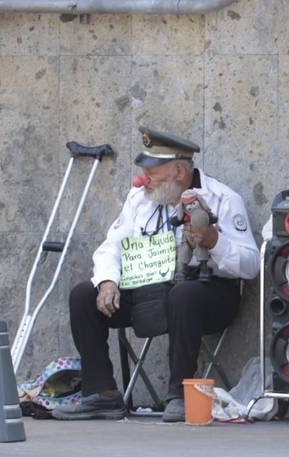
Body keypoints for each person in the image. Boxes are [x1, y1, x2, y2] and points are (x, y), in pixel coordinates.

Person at [52, 127, 259, 422]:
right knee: (84, 294)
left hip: (207, 294)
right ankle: (102, 393)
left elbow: (251, 265)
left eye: (152, 170)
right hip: (149, 290)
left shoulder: (223, 198)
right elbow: (111, 246)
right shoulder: (140, 198)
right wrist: (108, 281)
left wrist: (214, 241)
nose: (143, 178)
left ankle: (180, 394)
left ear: (178, 170)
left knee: (183, 295)